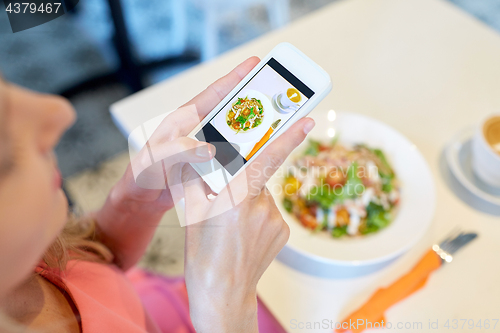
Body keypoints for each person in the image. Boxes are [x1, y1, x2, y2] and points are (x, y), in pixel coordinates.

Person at [0, 57, 316, 332]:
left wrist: (133, 205)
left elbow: (93, 272)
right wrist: (227, 315)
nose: (58, 111)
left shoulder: (27, 253)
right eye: (5, 160)